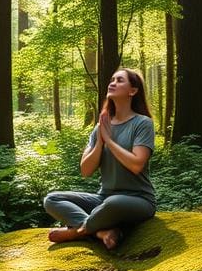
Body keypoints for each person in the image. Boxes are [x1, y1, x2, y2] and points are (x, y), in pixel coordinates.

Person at [44, 68, 156, 250]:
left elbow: (136, 164)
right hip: (103, 198)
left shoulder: (143, 123)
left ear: (133, 91)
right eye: (112, 79)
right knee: (52, 199)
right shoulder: (100, 127)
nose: (112, 83)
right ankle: (100, 232)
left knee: (114, 203)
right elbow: (86, 170)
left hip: (138, 200)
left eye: (120, 80)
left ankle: (78, 231)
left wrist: (110, 141)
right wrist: (100, 142)